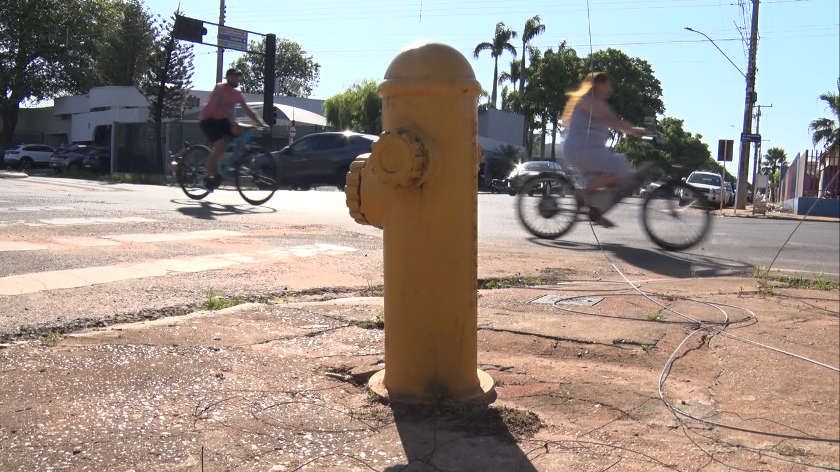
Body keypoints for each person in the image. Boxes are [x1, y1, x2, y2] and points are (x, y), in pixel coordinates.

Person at [561, 72, 648, 228]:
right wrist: (636, 131)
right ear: (597, 85)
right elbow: (613, 122)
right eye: (607, 85)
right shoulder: (588, 101)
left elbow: (614, 121)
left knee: (620, 183)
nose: (609, 89)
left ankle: (595, 209)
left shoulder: (598, 104)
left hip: (589, 151)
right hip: (582, 150)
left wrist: (636, 130)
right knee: (619, 170)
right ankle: (583, 195)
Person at [198, 68, 267, 191]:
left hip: (223, 120)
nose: (237, 80)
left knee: (241, 132)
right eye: (234, 77)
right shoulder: (219, 88)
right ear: (228, 77)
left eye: (238, 77)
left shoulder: (237, 94)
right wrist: (232, 120)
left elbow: (248, 111)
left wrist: (262, 124)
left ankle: (227, 164)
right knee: (220, 147)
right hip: (209, 120)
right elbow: (220, 105)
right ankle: (206, 178)